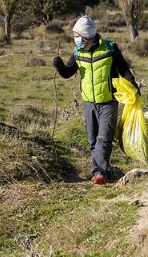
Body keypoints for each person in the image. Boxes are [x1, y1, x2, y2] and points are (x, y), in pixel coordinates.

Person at [53, 15, 138, 185]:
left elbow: (124, 70)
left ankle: (99, 172)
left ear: (86, 36)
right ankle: (102, 172)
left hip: (108, 101)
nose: (75, 39)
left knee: (104, 138)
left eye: (77, 35)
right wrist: (59, 66)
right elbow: (68, 73)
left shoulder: (110, 49)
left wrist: (134, 87)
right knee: (93, 140)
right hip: (88, 103)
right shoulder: (78, 52)